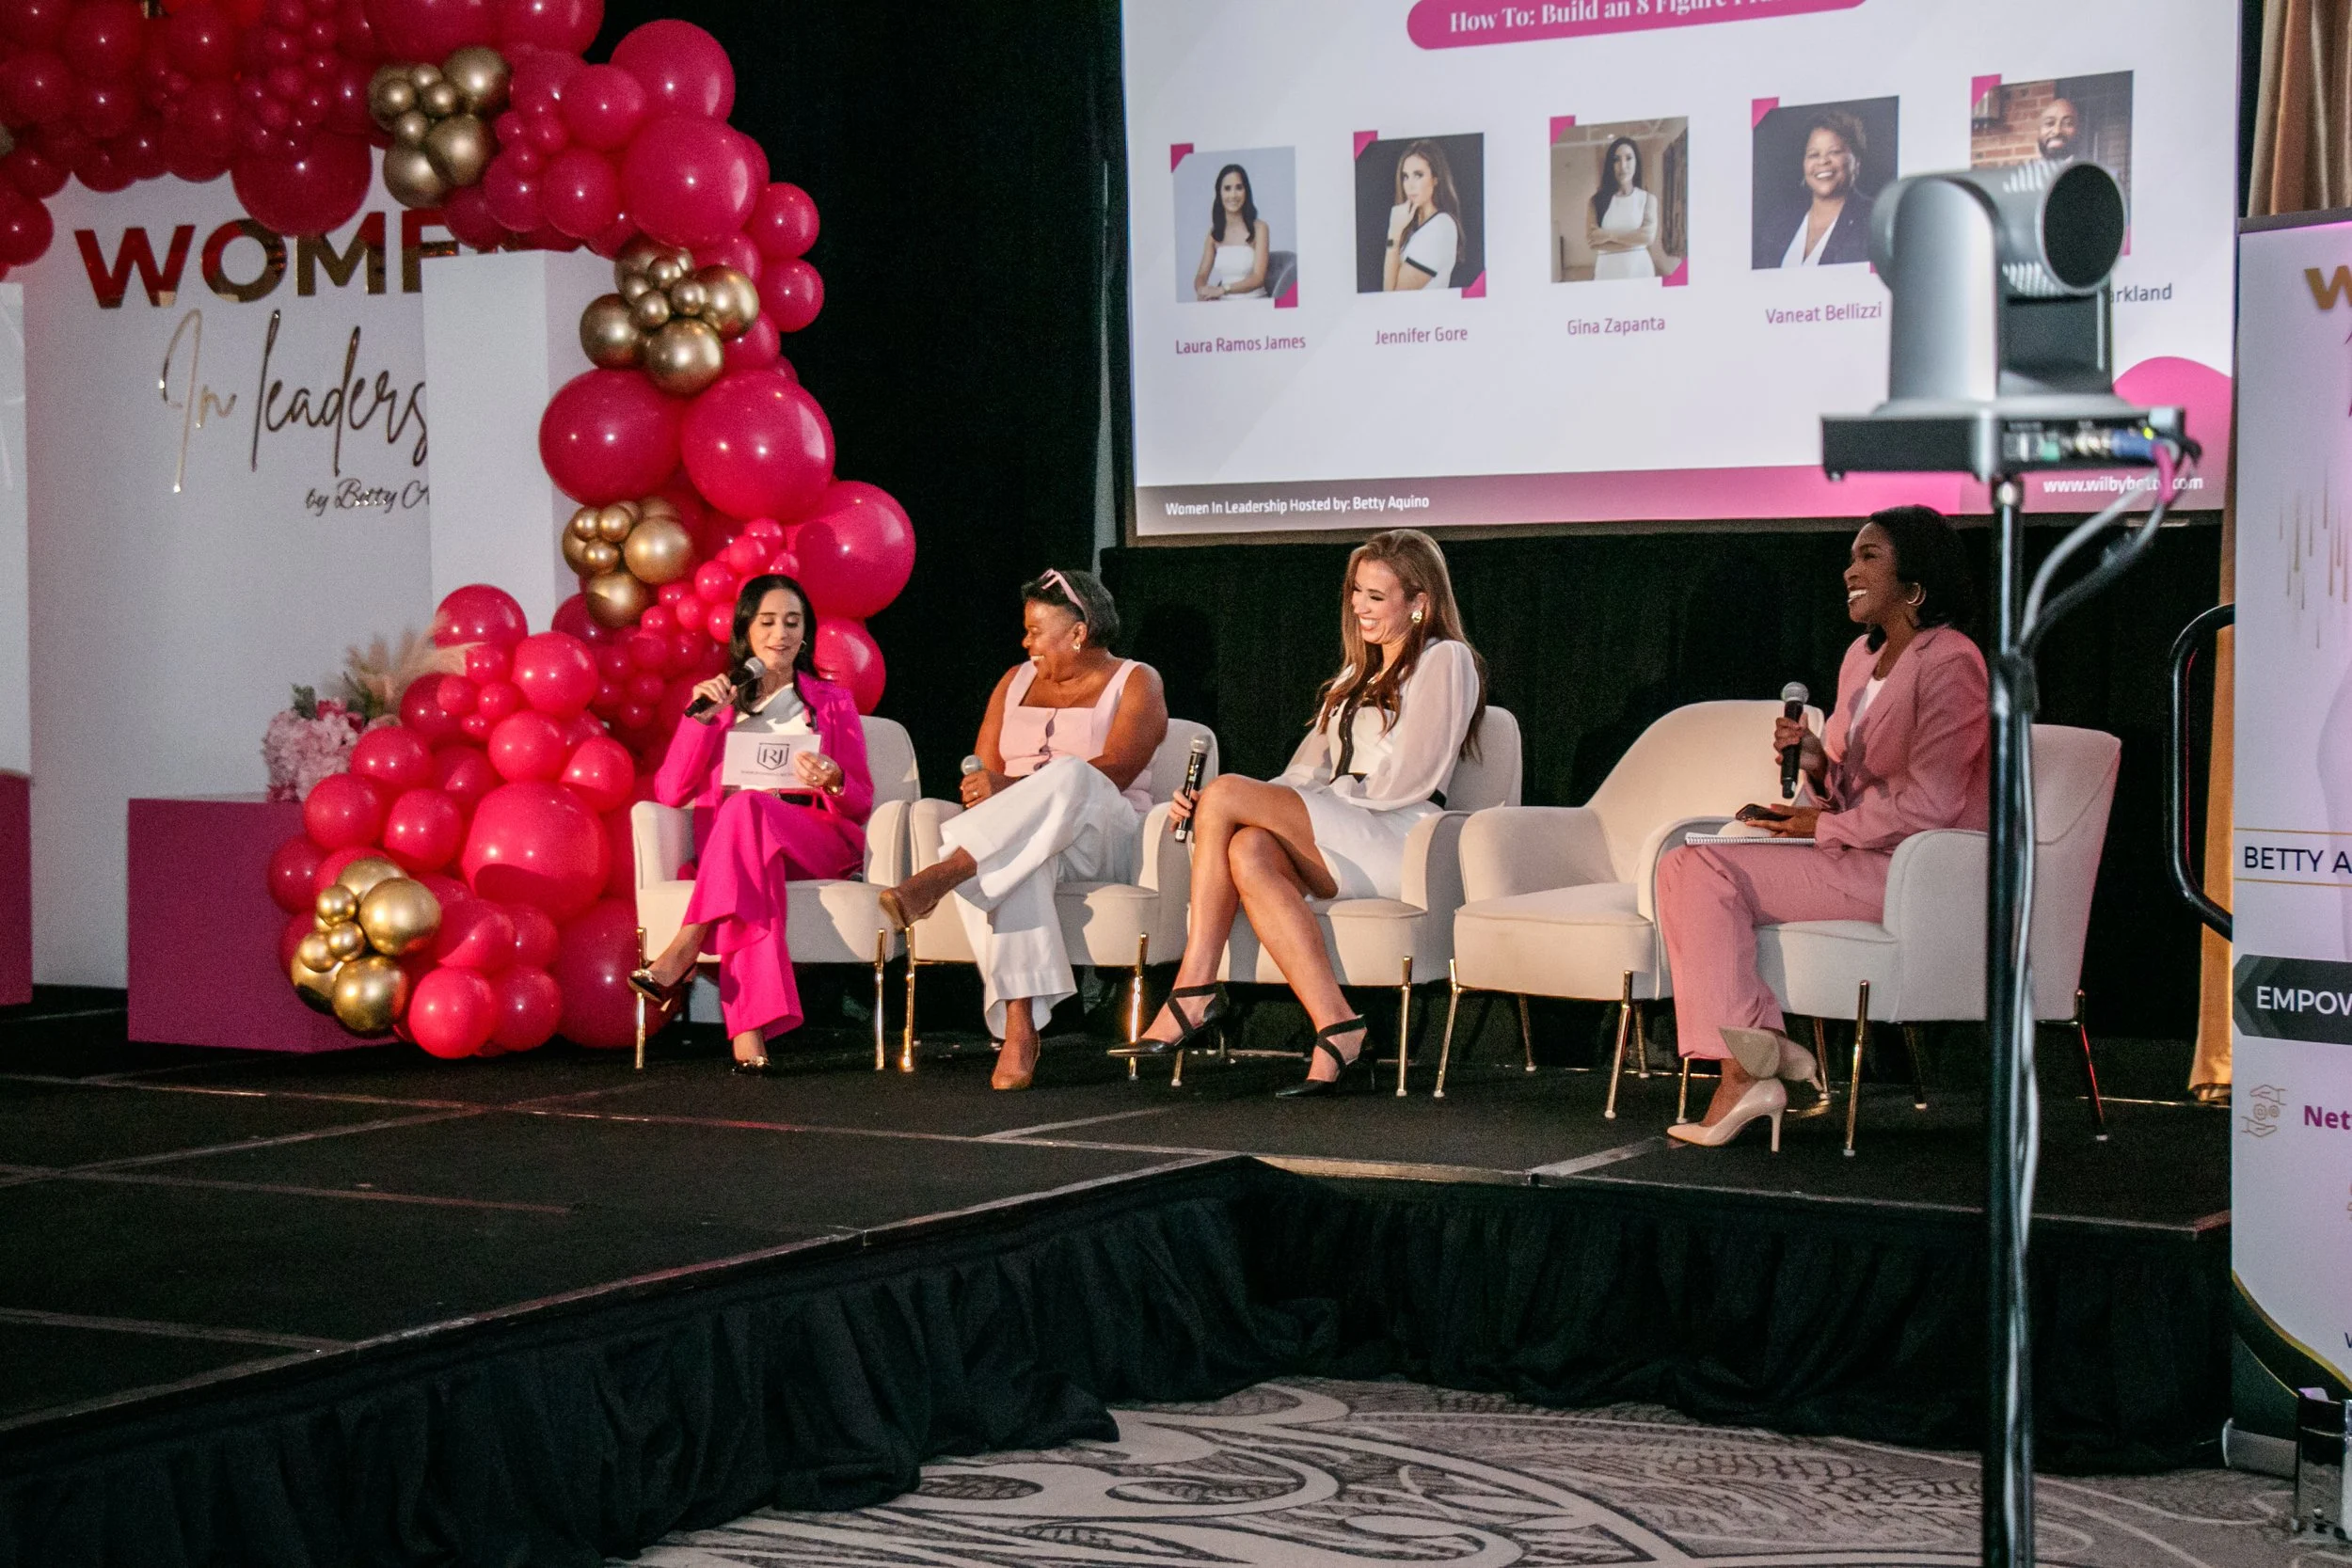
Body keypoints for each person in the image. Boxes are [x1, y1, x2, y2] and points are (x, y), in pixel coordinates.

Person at [1653, 506, 1987, 1148]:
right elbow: (1851, 786)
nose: (1848, 569)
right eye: (1851, 556)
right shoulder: (1861, 661)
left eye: (1869, 557)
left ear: (1915, 582)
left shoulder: (1953, 663)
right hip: (1854, 852)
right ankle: (1754, 1053)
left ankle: (1751, 1068)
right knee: (1682, 864)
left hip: (1912, 871)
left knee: (1702, 866)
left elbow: (1934, 805)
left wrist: (1822, 821)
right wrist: (1817, 764)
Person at [1122, 529, 1486, 1096]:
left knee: (1223, 796)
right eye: (1356, 594)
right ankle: (1339, 1027)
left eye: (1376, 597)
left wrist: (1254, 802)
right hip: (1341, 830)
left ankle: (1195, 986)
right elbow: (1299, 775)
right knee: (1247, 846)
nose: (1360, 608)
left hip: (1397, 833)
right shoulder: (1350, 677)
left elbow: (1417, 772)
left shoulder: (1445, 659)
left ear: (1420, 604)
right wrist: (1247, 809)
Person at [874, 569, 1168, 1091]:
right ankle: (1019, 1027)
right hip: (1032, 837)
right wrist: (983, 785)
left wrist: (1008, 784)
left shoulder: (1136, 680)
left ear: (1077, 633)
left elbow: (1119, 767)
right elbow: (982, 769)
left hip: (1106, 832)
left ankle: (951, 870)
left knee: (1071, 772)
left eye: (1036, 630)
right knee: (1021, 859)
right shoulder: (1013, 682)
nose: (1025, 641)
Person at [631, 575, 876, 1072]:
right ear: (746, 630)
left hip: (816, 840)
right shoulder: (720, 703)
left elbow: (861, 800)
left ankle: (685, 944)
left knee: (746, 811)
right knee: (749, 863)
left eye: (792, 622)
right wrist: (700, 721)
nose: (780, 634)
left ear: (806, 632)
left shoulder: (832, 703)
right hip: (745, 851)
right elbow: (670, 792)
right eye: (767, 622)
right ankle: (749, 1034)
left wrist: (833, 779)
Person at [1774, 110, 1872, 268]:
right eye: (1813, 154)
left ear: (1857, 162)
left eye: (1834, 152)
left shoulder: (1873, 222)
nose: (1823, 161)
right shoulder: (1779, 224)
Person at [1383, 141, 1463, 292]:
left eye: (1418, 175)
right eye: (1405, 177)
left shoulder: (1440, 227)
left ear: (1435, 179)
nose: (1409, 185)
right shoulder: (1414, 224)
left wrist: (1393, 233)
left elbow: (1392, 296)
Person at [1193, 163, 1270, 300]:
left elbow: (1258, 278)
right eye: (1227, 189)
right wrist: (1202, 289)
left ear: (1246, 191)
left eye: (1239, 188)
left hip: (1254, 303)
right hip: (1223, 305)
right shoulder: (1214, 233)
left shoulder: (1260, 228)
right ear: (1219, 193)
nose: (1233, 195)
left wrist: (1223, 289)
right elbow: (1201, 275)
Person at [1587, 135, 1659, 280]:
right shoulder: (1596, 201)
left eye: (1629, 158)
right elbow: (1592, 240)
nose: (1623, 165)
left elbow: (1648, 237)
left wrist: (1608, 236)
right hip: (1606, 271)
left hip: (1639, 269)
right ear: (1610, 164)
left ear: (1636, 162)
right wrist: (1633, 239)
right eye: (1616, 159)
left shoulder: (1648, 200)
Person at [2036, 96, 2083, 166]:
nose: (2057, 131)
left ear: (2078, 131)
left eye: (2067, 123)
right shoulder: (2023, 174)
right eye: (2049, 123)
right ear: (2039, 131)